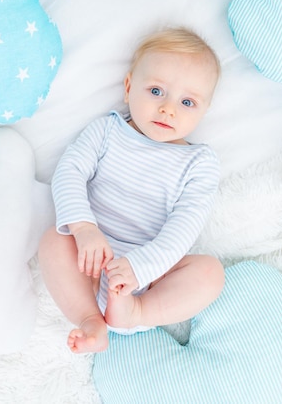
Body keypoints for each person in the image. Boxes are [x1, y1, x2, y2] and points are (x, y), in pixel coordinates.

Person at [39, 27, 225, 354]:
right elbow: (69, 172)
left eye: (187, 102)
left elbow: (184, 229)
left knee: (210, 273)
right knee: (54, 241)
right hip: (90, 261)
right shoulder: (107, 131)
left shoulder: (198, 163)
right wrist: (83, 228)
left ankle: (139, 313)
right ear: (128, 88)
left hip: (150, 277)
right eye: (156, 91)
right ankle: (89, 319)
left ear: (204, 111)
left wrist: (142, 268)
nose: (169, 109)